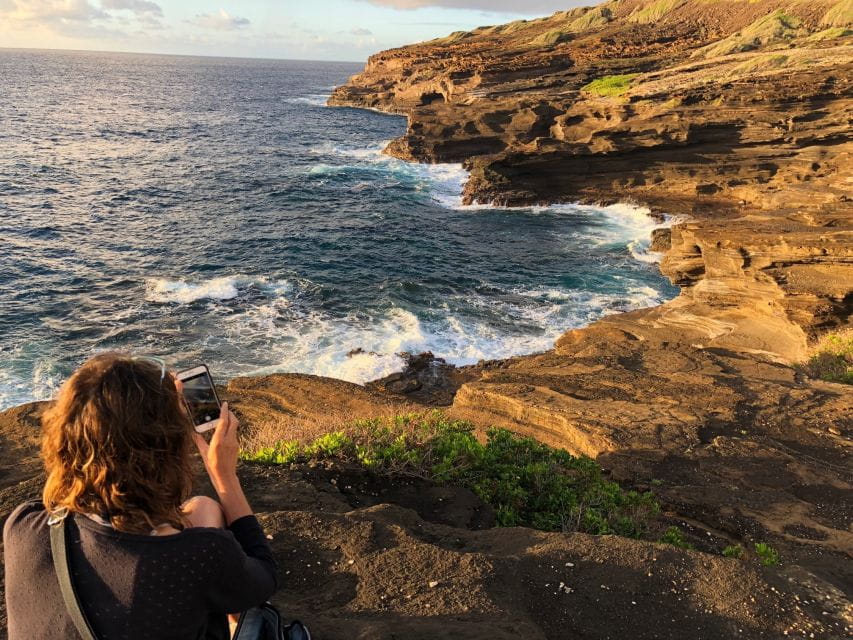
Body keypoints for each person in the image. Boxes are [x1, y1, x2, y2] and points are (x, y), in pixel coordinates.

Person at [3, 353, 277, 639]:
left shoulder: (23, 527)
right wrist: (224, 476)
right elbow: (265, 575)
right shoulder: (199, 555)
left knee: (202, 509)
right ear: (164, 450)